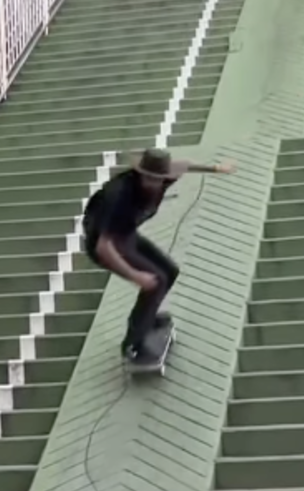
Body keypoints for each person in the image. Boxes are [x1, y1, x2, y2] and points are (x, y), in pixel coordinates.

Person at [82, 148, 235, 362]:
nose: (152, 184)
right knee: (156, 281)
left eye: (158, 179)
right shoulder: (118, 194)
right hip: (105, 243)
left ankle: (147, 318)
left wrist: (217, 168)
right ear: (140, 173)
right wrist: (135, 276)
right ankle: (133, 345)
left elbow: (186, 164)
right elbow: (103, 247)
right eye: (148, 178)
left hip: (126, 235)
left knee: (170, 271)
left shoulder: (166, 178)